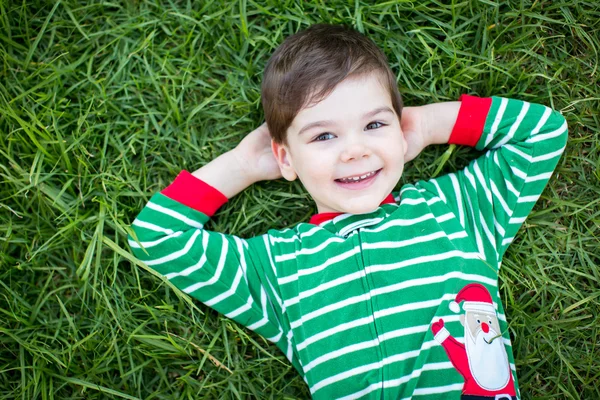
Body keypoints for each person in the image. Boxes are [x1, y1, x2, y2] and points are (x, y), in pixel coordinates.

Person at [128, 23, 568, 399]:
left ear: (399, 132)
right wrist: (242, 166)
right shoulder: (278, 271)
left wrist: (429, 126)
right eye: (323, 137)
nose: (355, 150)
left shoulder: (456, 213)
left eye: (375, 125)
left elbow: (543, 135)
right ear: (286, 159)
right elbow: (157, 238)